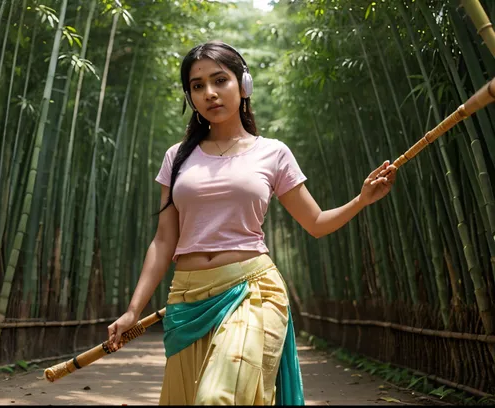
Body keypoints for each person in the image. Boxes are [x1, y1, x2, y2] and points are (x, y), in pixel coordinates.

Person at [106, 40, 397, 406]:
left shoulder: (272, 153)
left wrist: (361, 199)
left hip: (252, 292)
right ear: (190, 97)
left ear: (243, 86)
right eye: (198, 86)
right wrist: (134, 309)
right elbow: (164, 240)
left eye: (220, 80)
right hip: (187, 296)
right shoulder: (177, 157)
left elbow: (317, 222)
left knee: (217, 398)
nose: (210, 93)